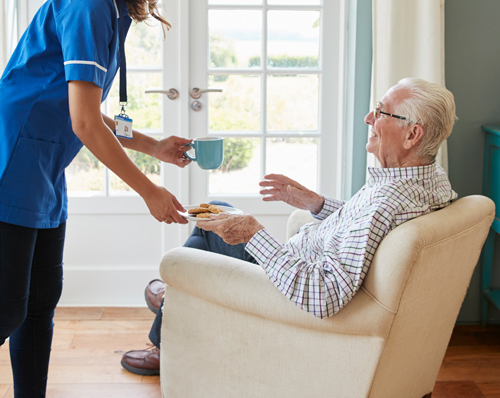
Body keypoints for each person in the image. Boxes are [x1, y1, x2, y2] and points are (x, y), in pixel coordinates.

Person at [121, 77, 458, 376]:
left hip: (287, 286)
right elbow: (366, 230)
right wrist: (317, 203)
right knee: (218, 211)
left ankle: (169, 326)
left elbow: (324, 295)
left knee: (198, 243)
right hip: (298, 264)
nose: (369, 118)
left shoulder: (388, 201)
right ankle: (175, 298)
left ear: (413, 134)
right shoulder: (426, 181)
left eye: (382, 112)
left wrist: (254, 234)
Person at [0, 0, 191, 397]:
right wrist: (149, 191)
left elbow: (88, 110)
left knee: (40, 302)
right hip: (15, 161)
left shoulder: (110, 8)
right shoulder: (89, 2)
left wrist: (152, 146)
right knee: (6, 307)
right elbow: (84, 123)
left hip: (45, 167)